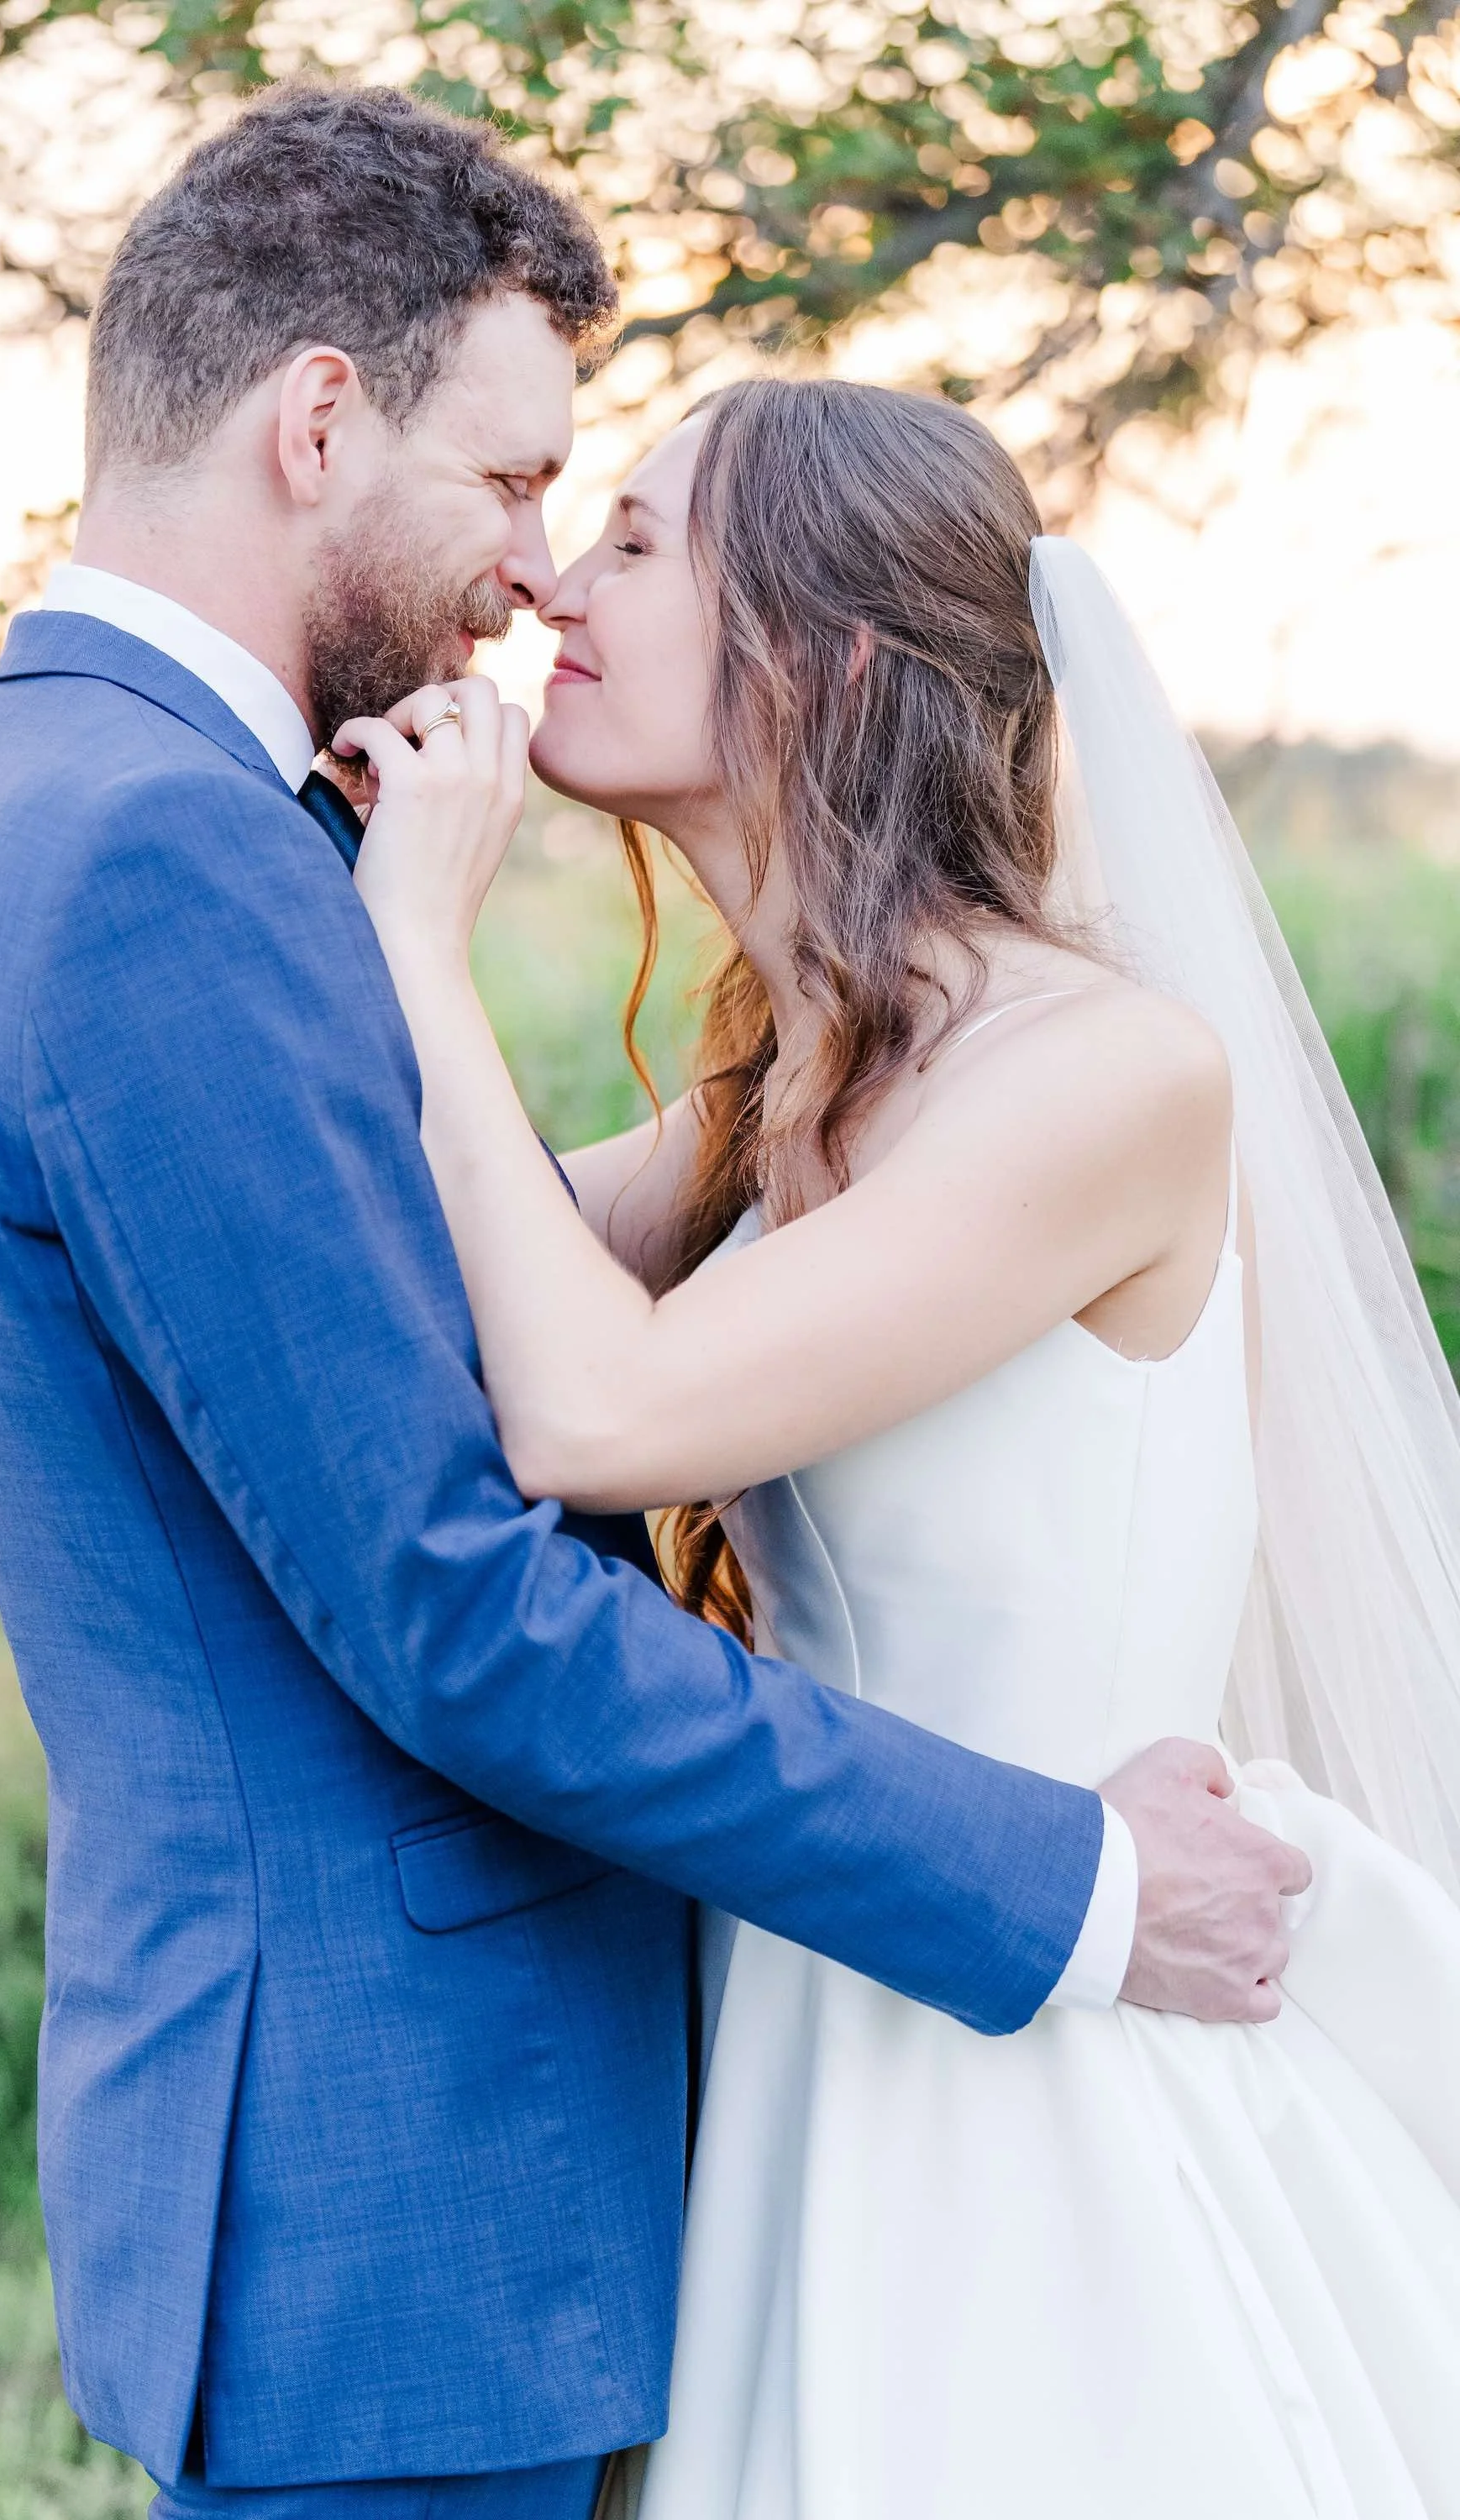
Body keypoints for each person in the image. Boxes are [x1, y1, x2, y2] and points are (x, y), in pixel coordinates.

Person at [0, 81, 1299, 2520]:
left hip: (582, 2160)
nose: (536, 578)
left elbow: (481, 1313)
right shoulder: (166, 862)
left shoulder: (112, 811)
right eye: (527, 487)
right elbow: (457, 1593)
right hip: (402, 2186)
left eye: (602, 524)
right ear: (321, 420)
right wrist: (1073, 1878)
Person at [341, 377, 1460, 2517]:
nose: (552, 585)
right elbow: (447, 1273)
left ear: (828, 655)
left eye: (641, 542)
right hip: (830, 1975)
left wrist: (418, 940)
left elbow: (593, 1407)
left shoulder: (1094, 1069)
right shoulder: (810, 1081)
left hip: (1054, 2029)